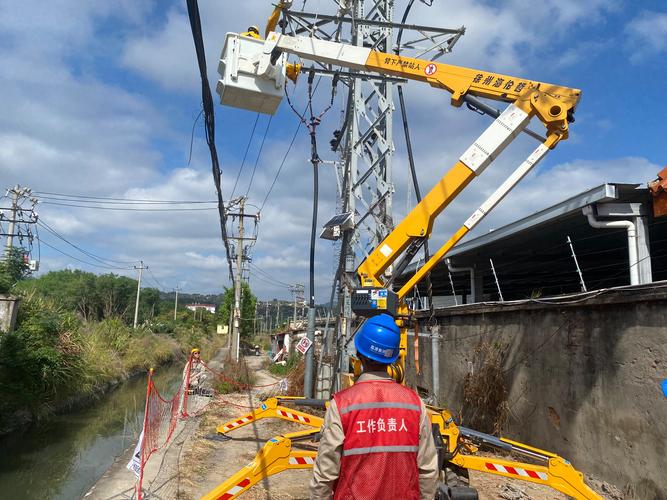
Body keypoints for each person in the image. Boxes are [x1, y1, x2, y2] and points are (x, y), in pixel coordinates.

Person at [311, 314, 438, 499]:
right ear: (393, 358)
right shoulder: (415, 404)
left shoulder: (342, 405)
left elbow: (325, 472)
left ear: (359, 354)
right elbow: (428, 470)